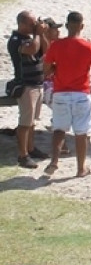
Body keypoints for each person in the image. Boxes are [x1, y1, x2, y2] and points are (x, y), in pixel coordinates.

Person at [41, 11, 91, 178]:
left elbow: (46, 70)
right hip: (81, 93)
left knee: (59, 129)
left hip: (61, 93)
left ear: (67, 25)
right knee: (81, 132)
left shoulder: (56, 45)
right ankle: (80, 168)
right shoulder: (89, 46)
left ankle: (54, 161)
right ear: (82, 26)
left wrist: (57, 68)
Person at [8, 11, 52, 168]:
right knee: (25, 123)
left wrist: (42, 34)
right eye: (32, 24)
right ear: (22, 24)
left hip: (37, 84)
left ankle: (31, 148)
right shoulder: (15, 40)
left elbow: (46, 50)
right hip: (26, 85)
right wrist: (38, 34)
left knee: (32, 121)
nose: (35, 26)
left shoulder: (32, 38)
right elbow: (32, 49)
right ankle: (23, 155)